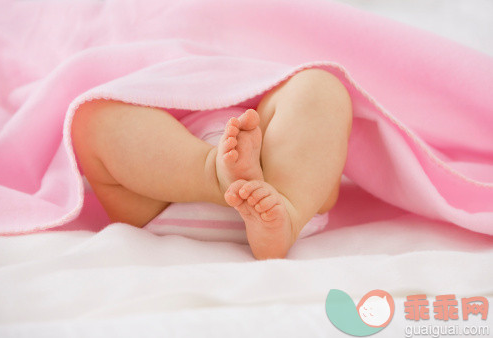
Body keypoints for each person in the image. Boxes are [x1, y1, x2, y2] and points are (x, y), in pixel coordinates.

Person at [71, 68, 353, 259]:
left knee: (318, 84)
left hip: (281, 181)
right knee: (91, 114)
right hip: (163, 187)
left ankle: (282, 216)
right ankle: (214, 175)